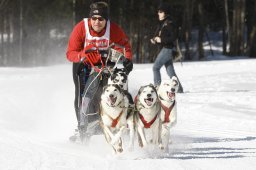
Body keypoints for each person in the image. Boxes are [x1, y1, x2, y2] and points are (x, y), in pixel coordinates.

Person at [66, 1, 133, 141]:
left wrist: (127, 60)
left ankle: (108, 123)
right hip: (83, 64)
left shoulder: (113, 29)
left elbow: (125, 46)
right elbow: (70, 53)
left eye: (101, 19)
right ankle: (82, 128)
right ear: (90, 18)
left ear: (106, 20)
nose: (97, 22)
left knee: (106, 93)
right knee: (82, 96)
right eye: (94, 18)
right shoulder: (81, 28)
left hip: (105, 64)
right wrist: (81, 55)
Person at [150, 3, 183, 93]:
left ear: (166, 13)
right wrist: (155, 39)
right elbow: (161, 36)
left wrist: (161, 40)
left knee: (155, 68)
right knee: (170, 72)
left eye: (161, 12)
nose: (158, 13)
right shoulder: (162, 23)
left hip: (168, 49)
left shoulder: (169, 23)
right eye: (158, 12)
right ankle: (179, 89)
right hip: (165, 48)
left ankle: (158, 88)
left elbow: (174, 37)